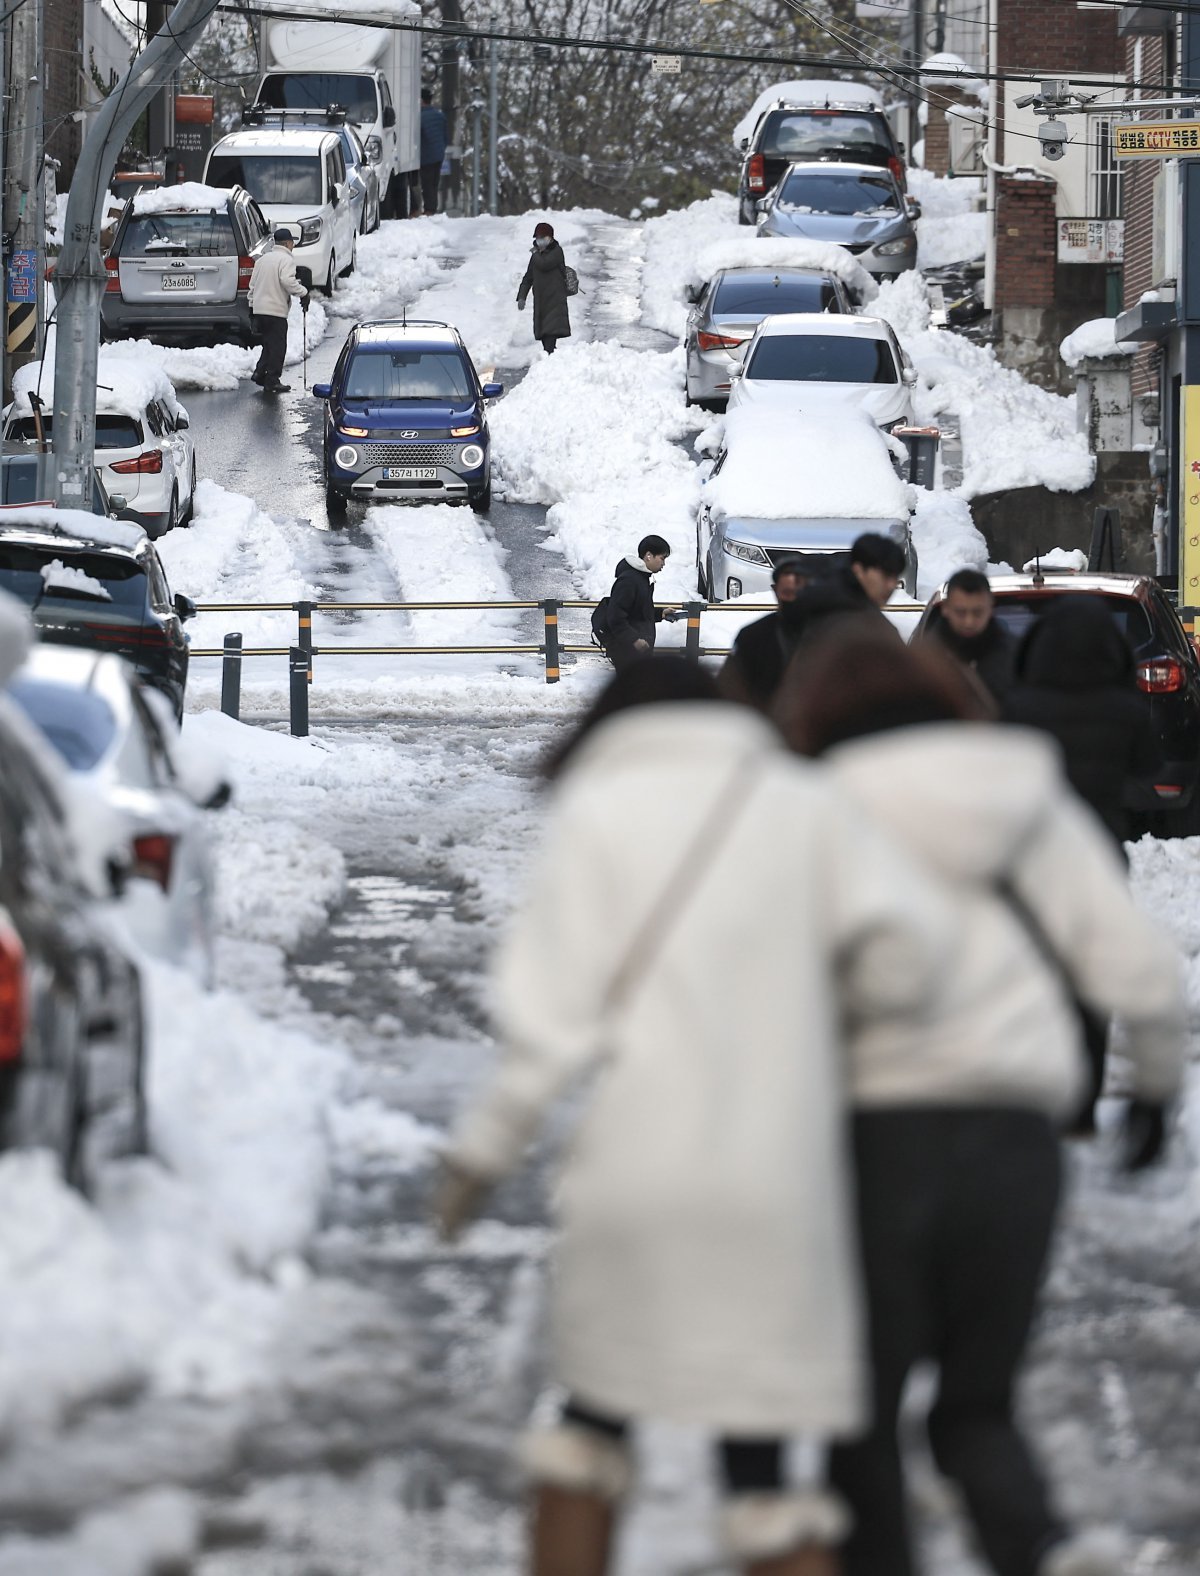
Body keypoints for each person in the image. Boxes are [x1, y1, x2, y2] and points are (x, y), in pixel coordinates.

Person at [433, 656, 953, 1576]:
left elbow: (548, 1025)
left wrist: (483, 1152)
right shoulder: (807, 806)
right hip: (780, 1183)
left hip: (636, 1181)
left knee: (591, 1428)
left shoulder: (600, 814)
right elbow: (909, 962)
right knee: (762, 1465)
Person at [773, 626, 1184, 1576]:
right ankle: (1038, 1552)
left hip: (873, 1143)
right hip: (1014, 1142)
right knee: (976, 1406)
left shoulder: (807, 811)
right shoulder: (1025, 797)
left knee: (860, 1415)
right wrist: (1155, 1091)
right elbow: (1135, 963)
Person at [1003, 596, 1159, 848]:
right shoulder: (1126, 709)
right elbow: (1148, 766)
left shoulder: (1020, 707)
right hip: (1101, 842)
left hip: (1039, 842)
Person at [718, 557, 812, 710]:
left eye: (799, 592)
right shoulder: (753, 635)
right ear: (776, 590)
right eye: (787, 593)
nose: (794, 599)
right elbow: (731, 687)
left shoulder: (832, 630)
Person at [923, 568, 1017, 708]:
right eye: (960, 613)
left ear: (990, 608)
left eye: (977, 613)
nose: (969, 622)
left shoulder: (1016, 656)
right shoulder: (922, 659)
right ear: (946, 608)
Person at [592, 534, 678, 671]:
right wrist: (634, 640)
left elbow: (637, 611)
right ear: (649, 555)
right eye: (662, 558)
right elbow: (615, 616)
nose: (663, 564)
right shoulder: (629, 581)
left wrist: (660, 613)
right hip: (627, 652)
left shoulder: (641, 578)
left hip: (635, 652)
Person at [247, 227, 307, 394]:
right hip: (275, 311)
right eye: (292, 242)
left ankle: (260, 373)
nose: (293, 245)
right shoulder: (286, 260)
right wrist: (303, 292)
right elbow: (287, 281)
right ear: (288, 243)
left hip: (260, 310)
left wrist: (252, 307)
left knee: (269, 344)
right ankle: (272, 380)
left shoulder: (262, 260)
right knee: (278, 347)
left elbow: (252, 286)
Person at [517, 222, 572, 355]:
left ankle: (549, 357)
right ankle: (549, 356)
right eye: (538, 238)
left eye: (543, 238)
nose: (540, 241)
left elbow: (544, 264)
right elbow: (528, 277)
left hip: (555, 299)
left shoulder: (557, 251)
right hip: (541, 299)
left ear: (550, 238)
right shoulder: (536, 256)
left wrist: (535, 253)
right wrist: (522, 296)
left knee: (550, 331)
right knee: (543, 331)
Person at [418, 87, 448, 216]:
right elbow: (446, 136)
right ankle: (433, 207)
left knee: (427, 184)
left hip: (426, 155)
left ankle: (429, 209)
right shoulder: (440, 116)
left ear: (421, 100)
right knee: (435, 183)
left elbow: (419, 137)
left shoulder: (419, 117)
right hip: (439, 154)